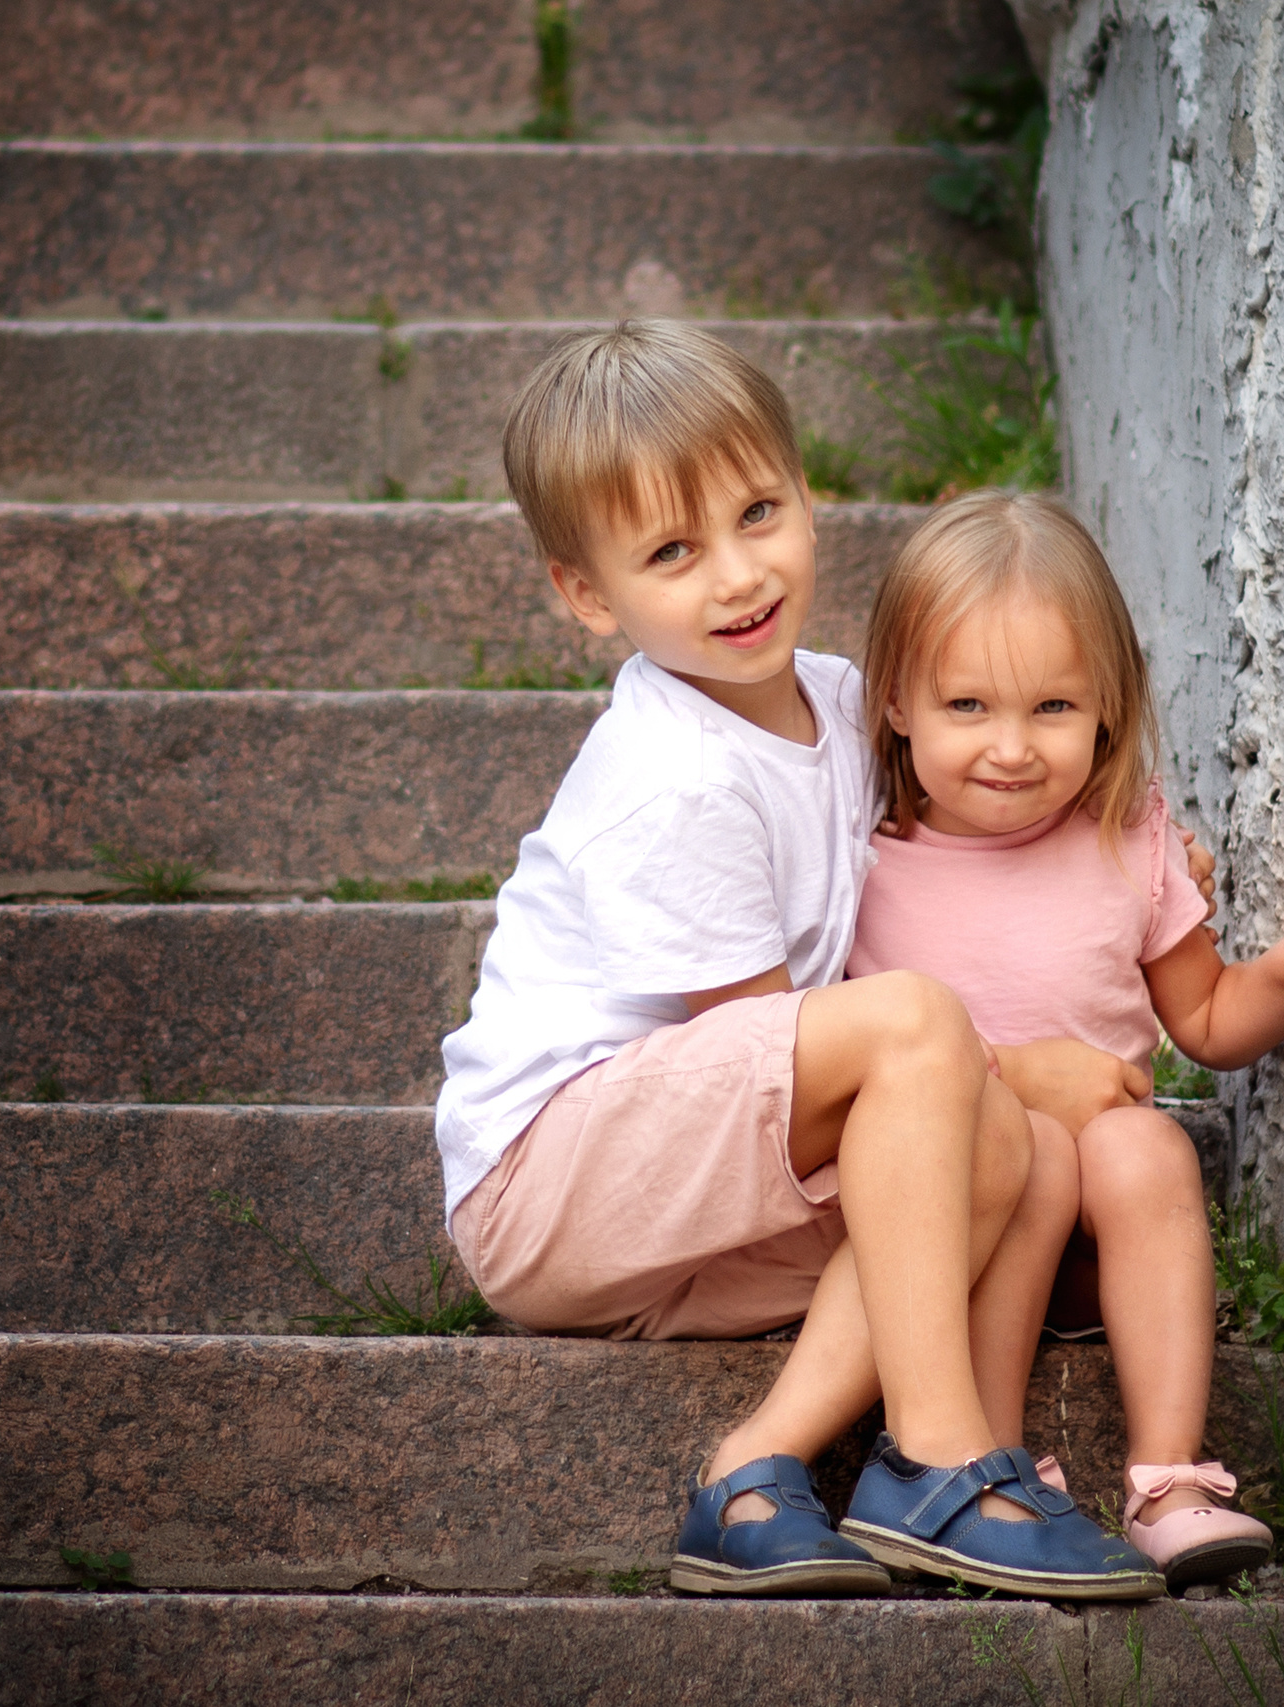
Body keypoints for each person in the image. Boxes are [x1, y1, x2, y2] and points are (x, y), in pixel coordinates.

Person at [435, 320, 1162, 1600]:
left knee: (1010, 1151)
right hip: (550, 1185)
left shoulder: (836, 700)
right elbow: (772, 1060)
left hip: (686, 1213)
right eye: (672, 551)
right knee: (928, 1044)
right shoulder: (673, 778)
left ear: (804, 490)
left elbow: (975, 813)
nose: (735, 575)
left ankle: (754, 1471)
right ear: (588, 593)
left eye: (758, 512)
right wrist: (1031, 1062)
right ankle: (939, 1455)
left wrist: (1150, 869)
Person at [847, 489, 1284, 1586]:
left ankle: (1168, 1480)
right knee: (1024, 1151)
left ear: (1107, 706)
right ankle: (977, 1472)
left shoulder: (1127, 838)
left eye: (1051, 707)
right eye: (967, 705)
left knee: (1145, 1144)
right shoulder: (859, 860)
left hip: (1110, 1254)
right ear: (896, 702)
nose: (1010, 746)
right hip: (963, 1236)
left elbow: (1209, 1022)